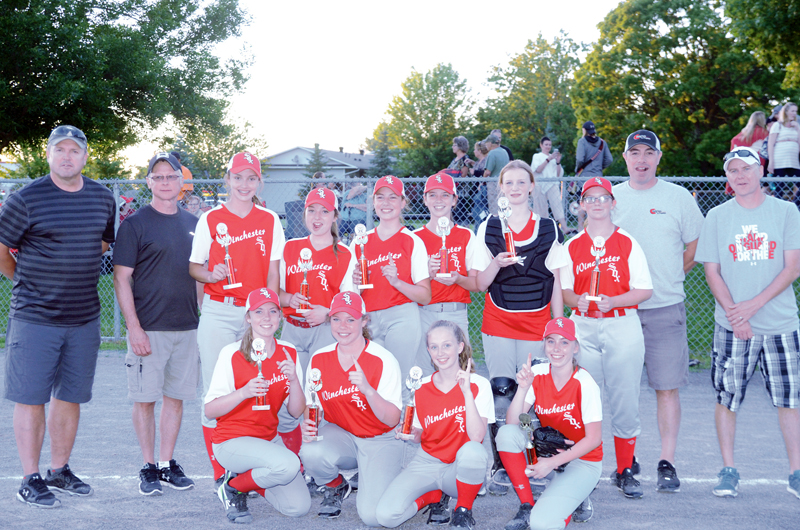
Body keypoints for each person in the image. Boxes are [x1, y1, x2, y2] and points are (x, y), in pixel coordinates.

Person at [0, 125, 116, 508]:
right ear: (49, 155)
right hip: (35, 317)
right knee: (31, 398)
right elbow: (3, 250)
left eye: (75, 150)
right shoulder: (26, 199)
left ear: (85, 157)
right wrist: (30, 282)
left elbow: (102, 241)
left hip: (83, 317)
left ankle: (59, 469)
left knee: (69, 397)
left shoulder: (102, 197)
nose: (67, 156)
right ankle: (30, 478)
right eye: (60, 150)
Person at [695, 147, 800, 500]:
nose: (739, 175)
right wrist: (734, 314)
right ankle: (728, 469)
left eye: (746, 169)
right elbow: (712, 270)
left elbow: (793, 267)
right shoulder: (717, 216)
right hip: (732, 327)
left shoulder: (786, 211)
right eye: (733, 170)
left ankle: (796, 471)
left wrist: (752, 307)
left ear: (761, 170)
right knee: (727, 398)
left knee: (790, 400)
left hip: (780, 324)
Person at [612, 130, 705, 493]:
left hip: (665, 307)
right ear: (625, 158)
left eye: (648, 152)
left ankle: (667, 461)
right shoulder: (612, 198)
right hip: (621, 311)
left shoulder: (678, 197)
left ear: (658, 158)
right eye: (634, 152)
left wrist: (668, 275)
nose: (641, 159)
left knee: (666, 388)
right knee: (624, 389)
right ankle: (627, 458)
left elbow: (695, 245)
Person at [189, 151, 285, 487]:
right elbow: (194, 267)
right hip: (219, 307)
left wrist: (270, 312)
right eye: (238, 176)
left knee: (259, 386)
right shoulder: (210, 219)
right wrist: (210, 272)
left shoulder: (270, 219)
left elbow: (273, 272)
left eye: (251, 177)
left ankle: (248, 461)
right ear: (227, 179)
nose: (244, 184)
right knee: (215, 393)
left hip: (256, 314)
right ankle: (221, 475)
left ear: (259, 182)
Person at [475, 160, 566, 495]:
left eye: (520, 182)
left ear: (531, 186)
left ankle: (532, 455)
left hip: (537, 323)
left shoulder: (548, 228)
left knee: (528, 399)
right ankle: (501, 463)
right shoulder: (488, 227)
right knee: (502, 394)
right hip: (499, 320)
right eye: (508, 183)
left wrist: (557, 324)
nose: (514, 188)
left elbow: (555, 279)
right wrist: (496, 265)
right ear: (501, 188)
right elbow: (479, 283)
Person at [559, 177, 653, 499]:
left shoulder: (627, 242)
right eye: (591, 198)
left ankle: (625, 469)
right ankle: (586, 468)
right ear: (582, 205)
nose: (597, 203)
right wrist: (576, 301)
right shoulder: (572, 245)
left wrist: (617, 300)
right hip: (583, 327)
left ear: (614, 203)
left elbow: (644, 289)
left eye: (604, 198)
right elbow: (566, 291)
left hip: (621, 324)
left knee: (625, 399)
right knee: (585, 400)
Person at [113, 152, 200, 496]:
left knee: (176, 398)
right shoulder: (136, 224)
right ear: (149, 182)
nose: (165, 182)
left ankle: (166, 463)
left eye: (171, 176)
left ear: (181, 182)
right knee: (145, 399)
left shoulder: (194, 224)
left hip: (186, 328)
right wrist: (133, 327)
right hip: (149, 327)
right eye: (158, 177)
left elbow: (199, 278)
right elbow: (121, 279)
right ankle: (148, 466)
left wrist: (201, 317)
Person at [204, 288, 309, 524]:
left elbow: (295, 411)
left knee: (297, 507)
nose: (266, 318)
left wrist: (294, 381)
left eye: (273, 311)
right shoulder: (231, 353)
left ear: (281, 317)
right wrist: (243, 392)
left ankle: (249, 479)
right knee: (289, 464)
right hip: (232, 441)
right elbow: (210, 411)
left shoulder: (288, 352)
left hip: (267, 440)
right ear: (248, 317)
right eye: (258, 311)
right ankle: (232, 487)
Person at [375, 321, 493, 529]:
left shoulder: (478, 385)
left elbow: (476, 438)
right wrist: (412, 432)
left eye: (447, 345)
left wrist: (466, 393)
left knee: (473, 451)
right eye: (434, 346)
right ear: (428, 350)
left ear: (460, 347)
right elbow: (421, 433)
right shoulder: (421, 386)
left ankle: (463, 510)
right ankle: (432, 496)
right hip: (427, 462)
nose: (441, 352)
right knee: (386, 516)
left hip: (462, 469)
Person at [299, 291, 404, 524]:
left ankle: (419, 486)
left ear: (364, 321)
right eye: (336, 319)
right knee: (311, 450)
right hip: (344, 435)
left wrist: (368, 390)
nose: (342, 326)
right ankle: (336, 487)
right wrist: (309, 425)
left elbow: (392, 419)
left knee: (372, 517)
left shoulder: (382, 359)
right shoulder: (319, 359)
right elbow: (312, 406)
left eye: (351, 319)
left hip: (381, 439)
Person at [497, 317, 603, 530]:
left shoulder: (585, 383)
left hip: (582, 461)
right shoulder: (538, 373)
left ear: (575, 347)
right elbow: (512, 422)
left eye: (565, 342)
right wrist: (523, 388)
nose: (557, 348)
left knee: (542, 523)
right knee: (506, 435)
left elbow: (594, 439)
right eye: (551, 341)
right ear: (544, 345)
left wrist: (552, 463)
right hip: (548, 452)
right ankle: (527, 505)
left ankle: (574, 495)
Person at [349, 175, 431, 402]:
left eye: (392, 197)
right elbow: (351, 295)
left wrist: (397, 282)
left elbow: (425, 296)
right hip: (369, 319)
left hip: (402, 317)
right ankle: (377, 432)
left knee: (401, 378)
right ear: (373, 203)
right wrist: (355, 283)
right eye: (380, 197)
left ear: (403, 202)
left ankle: (403, 432)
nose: (386, 203)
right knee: (373, 379)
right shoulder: (360, 241)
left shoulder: (412, 240)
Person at [412, 173, 490, 377]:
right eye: (433, 195)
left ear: (454, 200)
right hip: (424, 313)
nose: (439, 200)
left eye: (445, 195)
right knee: (425, 373)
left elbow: (475, 284)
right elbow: (407, 287)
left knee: (459, 372)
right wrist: (426, 274)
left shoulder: (466, 235)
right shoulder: (414, 239)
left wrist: (458, 279)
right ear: (425, 199)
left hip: (456, 313)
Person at [574, 121, 613, 228]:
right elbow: (609, 159)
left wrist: (578, 169)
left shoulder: (582, 142)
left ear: (584, 130)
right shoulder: (602, 142)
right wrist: (599, 167)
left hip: (584, 177)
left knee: (582, 202)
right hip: (598, 177)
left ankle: (580, 229)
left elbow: (580, 159)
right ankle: (598, 227)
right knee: (598, 203)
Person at [531, 136, 568, 234]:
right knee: (540, 208)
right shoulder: (537, 156)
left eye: (550, 145)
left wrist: (557, 162)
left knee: (557, 205)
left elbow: (558, 174)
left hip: (552, 184)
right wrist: (548, 159)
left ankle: (564, 228)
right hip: (539, 184)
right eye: (546, 144)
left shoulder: (553, 158)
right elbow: (538, 170)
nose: (548, 147)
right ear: (541, 145)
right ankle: (542, 229)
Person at [767, 102, 800, 201]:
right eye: (792, 111)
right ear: (786, 112)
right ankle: (778, 211)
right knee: (779, 187)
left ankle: (795, 206)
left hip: (793, 161)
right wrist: (771, 162)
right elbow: (770, 144)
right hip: (779, 160)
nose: (794, 113)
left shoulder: (796, 126)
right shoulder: (777, 125)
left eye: (796, 111)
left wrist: (798, 128)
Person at [446, 136, 473, 226]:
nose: (453, 147)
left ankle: (464, 230)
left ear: (460, 146)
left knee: (461, 214)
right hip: (453, 190)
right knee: (453, 214)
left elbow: (464, 174)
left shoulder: (465, 159)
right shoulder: (454, 160)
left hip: (461, 192)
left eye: (454, 145)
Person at [483, 134, 510, 216]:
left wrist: (482, 181)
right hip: (504, 183)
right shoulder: (504, 151)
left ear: (490, 144)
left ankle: (495, 222)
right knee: (503, 206)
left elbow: (488, 172)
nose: (485, 145)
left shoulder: (492, 153)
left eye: (486, 143)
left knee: (494, 207)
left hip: (493, 184)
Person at [469, 141, 490, 228]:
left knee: (480, 213)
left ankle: (479, 231)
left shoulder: (486, 160)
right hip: (476, 190)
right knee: (476, 213)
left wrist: (475, 172)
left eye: (475, 150)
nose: (474, 151)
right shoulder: (478, 161)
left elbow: (486, 172)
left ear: (480, 151)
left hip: (482, 190)